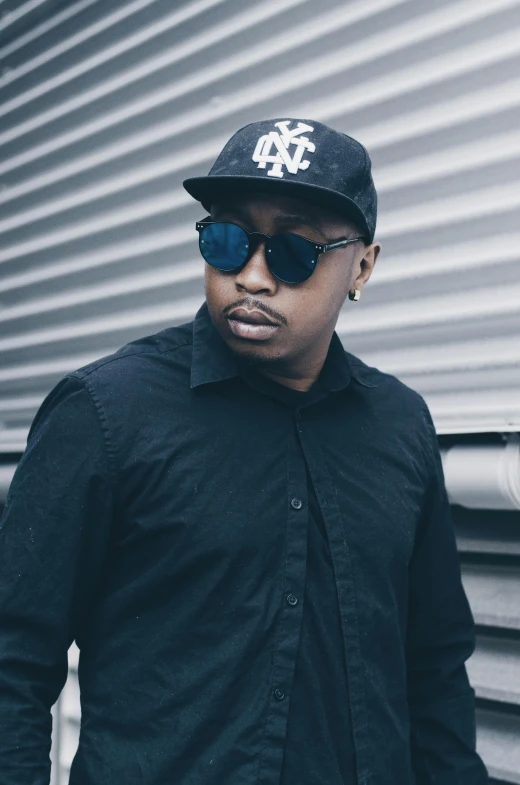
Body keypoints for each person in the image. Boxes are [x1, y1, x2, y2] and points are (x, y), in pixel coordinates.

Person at [0, 117, 488, 785]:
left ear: (363, 266)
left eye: (293, 250)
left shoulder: (400, 426)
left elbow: (433, 668)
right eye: (228, 240)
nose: (252, 275)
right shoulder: (105, 413)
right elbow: (12, 660)